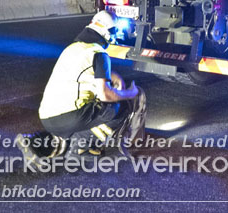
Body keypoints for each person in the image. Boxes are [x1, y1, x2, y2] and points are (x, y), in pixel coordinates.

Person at [18, 11, 146, 164]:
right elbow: (105, 94)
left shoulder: (74, 48)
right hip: (69, 117)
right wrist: (129, 94)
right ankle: (80, 147)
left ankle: (38, 143)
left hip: (47, 117)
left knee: (86, 110)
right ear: (107, 33)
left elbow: (86, 69)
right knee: (118, 108)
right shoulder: (99, 53)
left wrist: (113, 75)